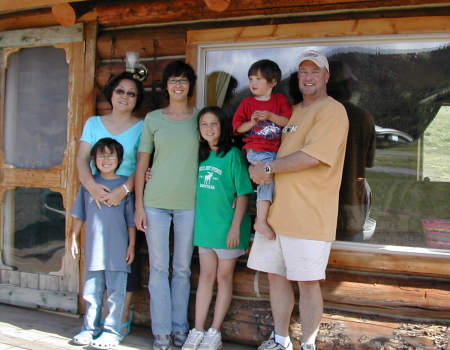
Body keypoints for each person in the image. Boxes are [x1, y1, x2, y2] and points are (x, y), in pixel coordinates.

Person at [247, 50, 349, 350]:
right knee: (276, 278)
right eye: (303, 71)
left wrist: (266, 167)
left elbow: (311, 157)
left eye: (315, 71)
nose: (308, 77)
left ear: (326, 77)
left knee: (307, 284)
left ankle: (307, 344)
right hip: (277, 214)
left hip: (309, 216)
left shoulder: (331, 111)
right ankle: (280, 340)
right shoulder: (291, 111)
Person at [134, 60, 199, 350]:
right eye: (173, 80)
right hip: (155, 202)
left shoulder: (201, 118)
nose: (178, 85)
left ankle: (179, 329)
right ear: (166, 85)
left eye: (183, 80)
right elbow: (142, 163)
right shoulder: (153, 119)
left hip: (189, 203)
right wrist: (138, 204)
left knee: (183, 268)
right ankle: (160, 331)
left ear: (190, 86)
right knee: (159, 268)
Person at [76, 71, 145, 336]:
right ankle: (92, 322)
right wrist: (92, 187)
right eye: (120, 91)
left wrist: (125, 190)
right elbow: (82, 158)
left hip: (127, 198)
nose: (125, 96)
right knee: (95, 259)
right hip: (97, 198)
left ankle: (118, 319)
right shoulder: (93, 123)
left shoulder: (142, 126)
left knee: (125, 260)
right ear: (111, 94)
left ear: (137, 99)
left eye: (131, 93)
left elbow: (142, 163)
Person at [181, 107, 253, 350]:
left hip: (228, 228)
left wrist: (235, 228)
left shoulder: (232, 155)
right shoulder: (198, 156)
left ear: (223, 127)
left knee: (223, 278)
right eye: (204, 124)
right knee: (205, 279)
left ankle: (214, 332)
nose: (209, 128)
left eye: (214, 123)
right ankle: (198, 329)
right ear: (199, 130)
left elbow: (243, 193)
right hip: (206, 228)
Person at [70, 138, 136, 350]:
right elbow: (79, 213)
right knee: (92, 292)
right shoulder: (89, 185)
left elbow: (130, 221)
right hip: (94, 250)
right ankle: (90, 328)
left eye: (111, 155)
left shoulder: (125, 186)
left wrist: (132, 245)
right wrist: (73, 236)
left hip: (118, 250)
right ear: (94, 159)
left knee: (116, 294)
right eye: (101, 155)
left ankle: (112, 331)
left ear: (119, 159)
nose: (106, 159)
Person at [232, 59, 292, 240]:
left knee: (275, 180)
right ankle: (261, 220)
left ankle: (269, 216)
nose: (253, 83)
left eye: (258, 79)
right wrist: (252, 122)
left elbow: (287, 121)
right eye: (251, 79)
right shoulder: (247, 103)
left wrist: (271, 116)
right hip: (256, 149)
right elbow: (237, 128)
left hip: (276, 150)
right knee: (266, 178)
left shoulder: (279, 100)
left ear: (273, 82)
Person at [327, 60, 376, 242]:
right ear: (348, 85)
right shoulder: (362, 117)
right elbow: (368, 162)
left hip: (315, 204)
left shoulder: (310, 114)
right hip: (350, 204)